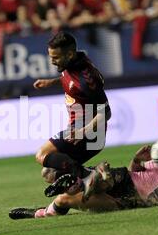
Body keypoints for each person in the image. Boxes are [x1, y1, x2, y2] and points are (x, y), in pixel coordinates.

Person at [9, 134, 158, 219]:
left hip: (131, 201)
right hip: (126, 179)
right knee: (103, 177)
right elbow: (136, 171)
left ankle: (39, 213)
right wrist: (137, 160)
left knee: (63, 200)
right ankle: (83, 180)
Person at [33, 31, 111, 199]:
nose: (52, 61)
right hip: (81, 131)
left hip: (89, 134)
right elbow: (68, 80)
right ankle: (99, 180)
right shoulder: (72, 62)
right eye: (51, 57)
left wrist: (83, 131)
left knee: (42, 154)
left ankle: (87, 175)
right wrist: (51, 82)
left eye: (56, 57)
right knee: (49, 173)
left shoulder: (86, 80)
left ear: (69, 54)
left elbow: (106, 112)